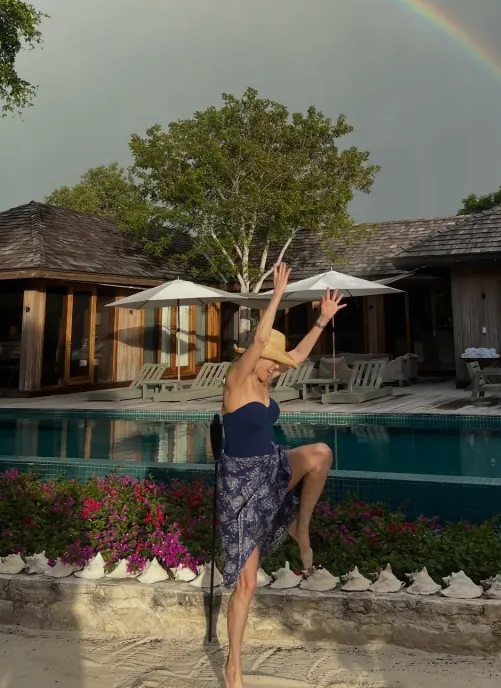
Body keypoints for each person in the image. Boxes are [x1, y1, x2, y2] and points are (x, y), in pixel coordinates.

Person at [219, 262, 345, 688]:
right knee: (247, 585)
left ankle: (300, 528)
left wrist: (321, 321)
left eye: (276, 365)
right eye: (270, 363)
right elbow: (259, 340)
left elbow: (298, 355)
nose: (276, 368)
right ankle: (233, 665)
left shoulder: (268, 379)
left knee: (320, 454)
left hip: (269, 466)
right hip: (240, 490)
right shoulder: (236, 381)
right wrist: (277, 294)